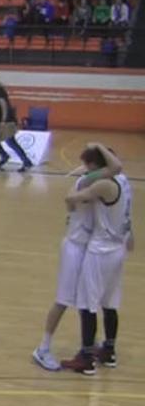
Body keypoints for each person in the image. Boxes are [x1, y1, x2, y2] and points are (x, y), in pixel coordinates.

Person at [32, 144, 122, 371]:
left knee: (90, 301)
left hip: (88, 247)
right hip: (75, 246)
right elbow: (70, 200)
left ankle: (90, 350)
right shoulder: (87, 181)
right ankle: (43, 348)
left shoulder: (102, 184)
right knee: (64, 299)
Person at [61, 150, 133, 375]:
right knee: (109, 302)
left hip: (100, 251)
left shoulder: (104, 185)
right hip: (118, 248)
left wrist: (82, 178)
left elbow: (72, 198)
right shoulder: (124, 181)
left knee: (87, 303)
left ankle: (86, 357)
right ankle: (109, 351)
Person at [0, 74, 34, 171]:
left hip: (6, 120)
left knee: (10, 142)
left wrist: (3, 119)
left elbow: (3, 104)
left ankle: (26, 162)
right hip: (2, 120)